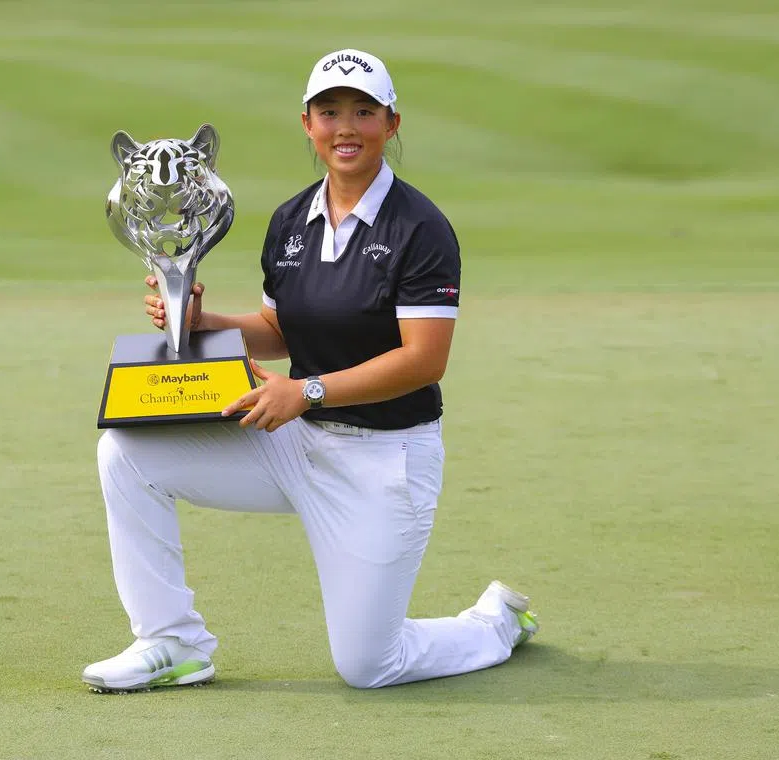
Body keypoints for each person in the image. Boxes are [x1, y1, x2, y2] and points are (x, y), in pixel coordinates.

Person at [83, 48, 538, 693]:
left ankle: (493, 623)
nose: (345, 127)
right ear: (307, 124)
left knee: (369, 665)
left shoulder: (421, 228)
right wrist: (201, 320)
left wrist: (307, 391)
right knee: (127, 452)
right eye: (329, 112)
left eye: (363, 112)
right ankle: (171, 642)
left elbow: (424, 360)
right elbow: (279, 331)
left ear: (392, 123)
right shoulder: (292, 220)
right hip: (297, 445)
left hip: (386, 460)